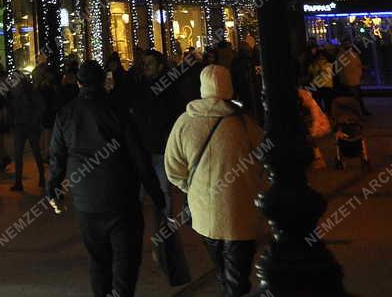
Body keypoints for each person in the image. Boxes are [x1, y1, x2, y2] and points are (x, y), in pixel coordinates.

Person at [47, 59, 165, 297]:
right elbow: (138, 156)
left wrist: (54, 190)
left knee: (98, 259)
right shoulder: (118, 109)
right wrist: (156, 193)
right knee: (126, 259)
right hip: (120, 196)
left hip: (86, 198)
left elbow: (56, 157)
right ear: (103, 81)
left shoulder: (66, 114)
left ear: (79, 84)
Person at [165, 63, 267, 297]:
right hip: (239, 209)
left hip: (203, 211)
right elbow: (264, 154)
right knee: (237, 273)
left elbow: (173, 167)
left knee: (223, 268)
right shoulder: (242, 122)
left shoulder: (184, 122)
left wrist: (191, 187)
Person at [127, 49, 183, 209]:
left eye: (150, 63)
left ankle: (167, 221)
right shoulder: (139, 86)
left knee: (164, 188)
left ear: (160, 66)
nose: (146, 67)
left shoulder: (170, 87)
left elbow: (176, 114)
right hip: (142, 146)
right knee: (141, 189)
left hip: (161, 147)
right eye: (144, 63)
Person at [8, 70, 45, 192]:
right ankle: (18, 182)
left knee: (36, 152)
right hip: (20, 125)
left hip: (30, 126)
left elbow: (40, 107)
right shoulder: (14, 92)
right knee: (18, 154)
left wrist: (34, 120)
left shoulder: (30, 91)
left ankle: (42, 177)